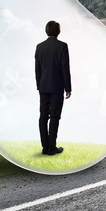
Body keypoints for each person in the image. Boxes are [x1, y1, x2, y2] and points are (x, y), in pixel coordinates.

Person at [35, 20, 72, 155]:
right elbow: (65, 68)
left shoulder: (39, 47)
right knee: (55, 117)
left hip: (43, 87)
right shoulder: (62, 46)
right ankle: (52, 147)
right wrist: (68, 87)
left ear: (46, 31)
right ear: (59, 32)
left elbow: (37, 69)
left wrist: (39, 85)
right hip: (57, 87)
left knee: (43, 116)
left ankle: (45, 147)